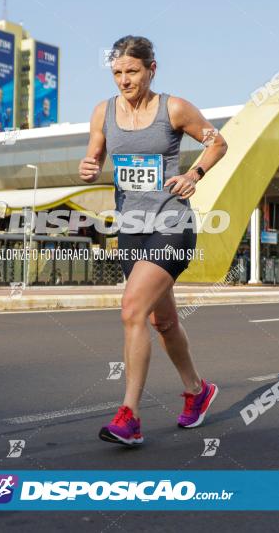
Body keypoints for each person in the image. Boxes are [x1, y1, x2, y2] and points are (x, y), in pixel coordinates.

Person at [79, 35, 228, 446]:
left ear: (151, 69)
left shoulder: (174, 108)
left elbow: (218, 141)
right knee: (162, 322)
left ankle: (130, 416)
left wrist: (193, 175)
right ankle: (198, 391)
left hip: (172, 224)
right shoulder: (102, 112)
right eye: (117, 73)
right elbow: (94, 153)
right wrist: (89, 166)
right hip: (131, 228)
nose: (124, 80)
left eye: (132, 71)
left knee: (132, 310)